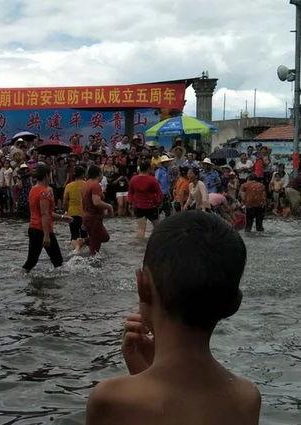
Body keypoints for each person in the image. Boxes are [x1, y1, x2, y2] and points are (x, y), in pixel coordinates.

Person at [85, 211, 261, 425]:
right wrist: (144, 370)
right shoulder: (247, 398)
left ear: (142, 285)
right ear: (233, 304)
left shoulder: (110, 400)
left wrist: (141, 376)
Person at [22, 163, 72, 272]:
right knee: (58, 262)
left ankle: (20, 275)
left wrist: (63, 217)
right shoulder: (45, 192)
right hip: (43, 230)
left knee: (31, 262)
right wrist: (46, 235)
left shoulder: (33, 189)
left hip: (33, 228)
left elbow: (46, 213)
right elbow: (44, 214)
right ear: (46, 175)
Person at [82, 165, 114, 255]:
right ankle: (91, 261)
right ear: (99, 174)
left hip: (88, 217)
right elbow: (96, 202)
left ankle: (84, 241)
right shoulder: (95, 185)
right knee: (95, 250)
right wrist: (109, 206)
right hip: (93, 218)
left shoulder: (86, 184)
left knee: (104, 237)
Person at [128, 160, 163, 239]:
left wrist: (131, 204)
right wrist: (158, 203)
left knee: (141, 229)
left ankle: (140, 245)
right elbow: (159, 193)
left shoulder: (133, 179)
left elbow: (130, 193)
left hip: (138, 207)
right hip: (152, 207)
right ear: (148, 168)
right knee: (157, 228)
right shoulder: (152, 180)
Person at [63, 166, 87, 253]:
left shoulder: (69, 186)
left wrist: (66, 211)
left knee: (74, 235)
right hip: (85, 214)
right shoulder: (87, 185)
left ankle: (76, 248)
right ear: (83, 174)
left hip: (72, 213)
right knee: (84, 236)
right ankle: (81, 248)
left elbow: (65, 202)